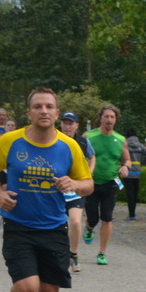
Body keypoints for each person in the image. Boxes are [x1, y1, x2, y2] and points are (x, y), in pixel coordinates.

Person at [0, 88, 94, 292]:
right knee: (28, 287)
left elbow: (88, 184)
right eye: (37, 106)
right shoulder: (10, 141)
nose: (43, 111)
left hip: (54, 227)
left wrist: (74, 184)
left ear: (56, 113)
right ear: (29, 112)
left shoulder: (69, 146)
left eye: (48, 106)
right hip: (18, 225)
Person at [83, 104, 128, 266]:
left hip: (111, 183)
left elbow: (127, 159)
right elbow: (80, 157)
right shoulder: (88, 136)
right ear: (100, 118)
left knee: (107, 218)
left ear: (115, 120)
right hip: (92, 183)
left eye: (112, 117)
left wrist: (125, 167)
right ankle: (89, 227)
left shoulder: (120, 139)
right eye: (106, 116)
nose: (109, 120)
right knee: (93, 218)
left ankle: (102, 253)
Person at [59, 112, 93, 271]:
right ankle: (59, 254)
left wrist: (88, 174)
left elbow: (92, 157)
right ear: (61, 124)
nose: (68, 126)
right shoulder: (54, 139)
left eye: (71, 123)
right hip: (57, 188)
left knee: (75, 221)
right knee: (58, 224)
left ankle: (73, 254)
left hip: (75, 188)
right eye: (65, 123)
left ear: (76, 125)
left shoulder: (83, 142)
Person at [122, 128, 146, 219]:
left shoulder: (124, 146)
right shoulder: (140, 145)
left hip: (127, 172)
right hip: (137, 172)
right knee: (135, 193)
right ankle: (133, 214)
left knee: (129, 194)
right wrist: (143, 163)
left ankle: (131, 214)